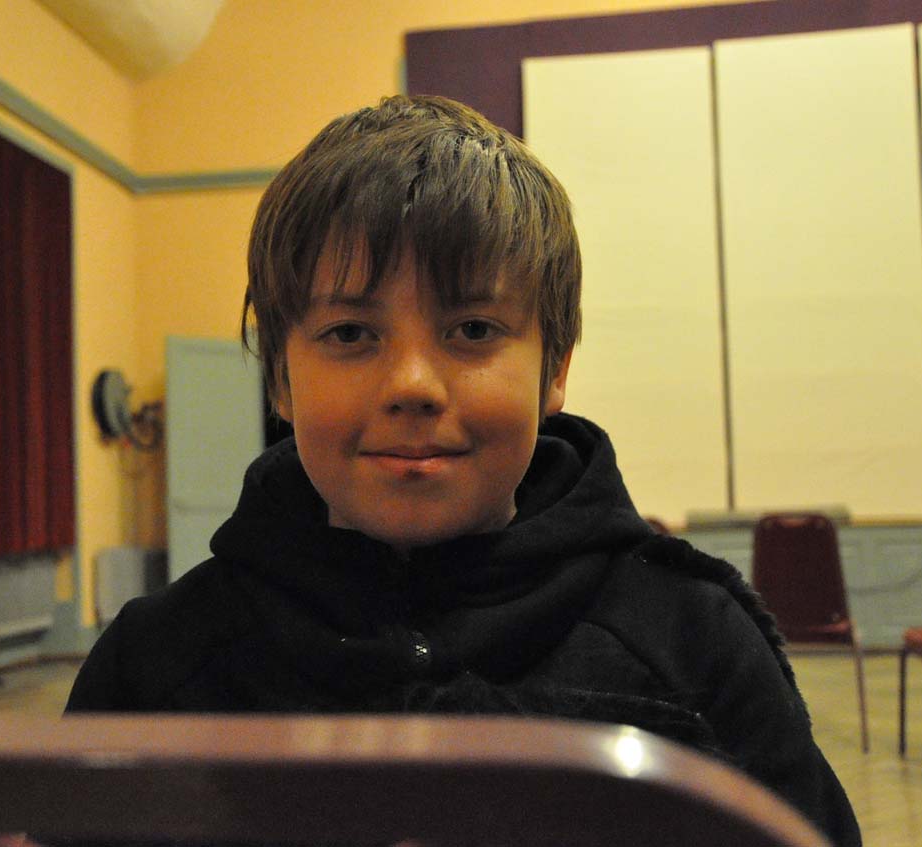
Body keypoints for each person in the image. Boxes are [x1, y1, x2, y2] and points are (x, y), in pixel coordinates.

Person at [66, 94, 861, 847]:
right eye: (351, 334)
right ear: (279, 376)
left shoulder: (694, 643)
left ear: (555, 367)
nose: (412, 383)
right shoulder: (155, 665)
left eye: (473, 329)